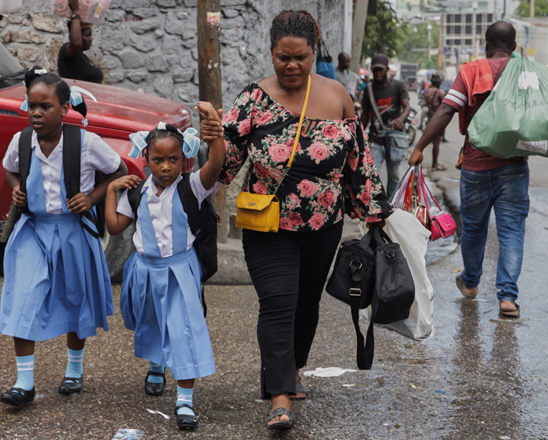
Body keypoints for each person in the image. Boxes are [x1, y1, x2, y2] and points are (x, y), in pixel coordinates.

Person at [200, 10, 392, 431]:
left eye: (300, 57)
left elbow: (358, 161)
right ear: (271, 53)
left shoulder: (338, 96)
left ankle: (292, 367)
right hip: (267, 225)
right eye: (282, 57)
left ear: (313, 52)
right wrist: (211, 142)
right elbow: (223, 168)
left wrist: (377, 212)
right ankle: (279, 395)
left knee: (306, 305)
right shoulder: (252, 99)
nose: (291, 65)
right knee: (278, 303)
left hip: (324, 225)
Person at [0, 68, 127, 406]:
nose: (36, 114)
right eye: (31, 107)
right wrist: (16, 190)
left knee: (75, 300)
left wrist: (93, 197)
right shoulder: (21, 141)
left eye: (45, 107)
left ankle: (73, 370)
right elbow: (9, 169)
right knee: (24, 298)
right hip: (33, 230)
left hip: (73, 232)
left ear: (65, 108)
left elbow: (119, 171)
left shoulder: (86, 144)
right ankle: (24, 382)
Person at [105, 108, 225, 431]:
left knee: (183, 331)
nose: (166, 167)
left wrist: (215, 134)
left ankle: (185, 401)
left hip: (179, 271)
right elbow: (115, 227)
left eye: (173, 160)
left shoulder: (192, 187)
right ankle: (156, 367)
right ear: (146, 158)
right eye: (158, 160)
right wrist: (111, 190)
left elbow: (215, 164)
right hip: (145, 270)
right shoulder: (135, 193)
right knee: (154, 322)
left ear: (183, 160)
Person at [408, 21, 527, 319]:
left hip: (475, 165)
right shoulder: (525, 72)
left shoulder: (471, 71)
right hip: (514, 165)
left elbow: (447, 110)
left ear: (485, 46)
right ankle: (508, 298)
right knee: (511, 231)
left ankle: (471, 283)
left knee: (473, 229)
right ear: (514, 48)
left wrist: (420, 146)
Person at [361, 53, 410, 197]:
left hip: (394, 140)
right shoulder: (368, 90)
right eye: (375, 70)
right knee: (372, 175)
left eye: (381, 70)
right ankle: (376, 205)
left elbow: (407, 107)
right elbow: (365, 114)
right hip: (375, 140)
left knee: (394, 176)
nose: (378, 73)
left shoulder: (398, 86)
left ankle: (391, 205)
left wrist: (401, 119)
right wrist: (360, 134)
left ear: (387, 69)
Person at [58, 0, 103, 83]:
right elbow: (76, 44)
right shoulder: (66, 52)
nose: (91, 39)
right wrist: (75, 12)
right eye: (87, 35)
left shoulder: (83, 57)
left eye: (90, 35)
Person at [423, 72, 447, 171]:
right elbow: (445, 106)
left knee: (427, 140)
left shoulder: (426, 91)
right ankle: (435, 164)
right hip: (437, 119)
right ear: (438, 82)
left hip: (429, 117)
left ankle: (421, 162)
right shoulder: (440, 92)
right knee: (436, 143)